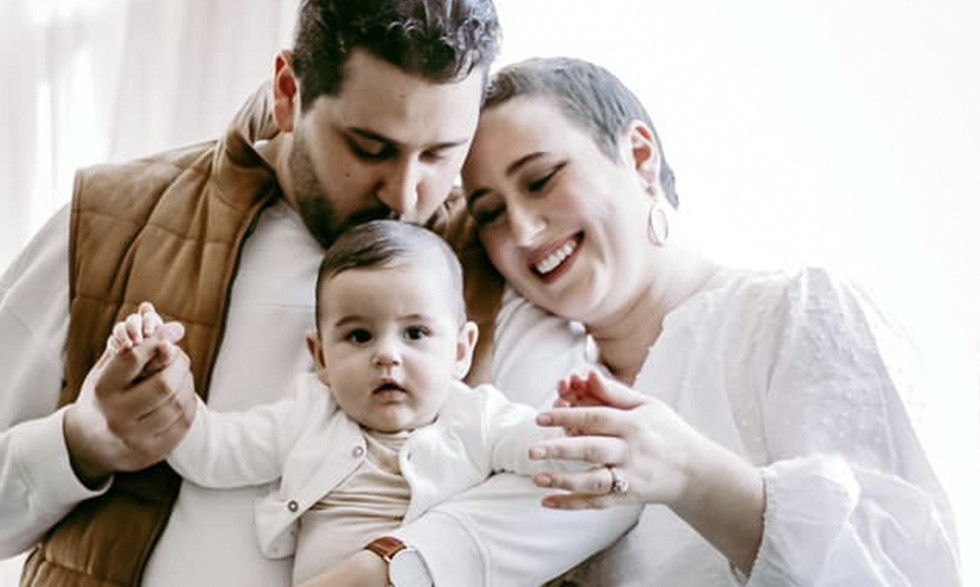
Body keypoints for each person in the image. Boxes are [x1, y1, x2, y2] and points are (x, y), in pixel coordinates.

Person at [0, 3, 636, 586]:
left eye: (443, 153)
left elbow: (605, 489)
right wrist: (80, 442)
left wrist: (396, 568)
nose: (407, 196)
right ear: (287, 92)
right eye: (369, 147)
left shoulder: (493, 267)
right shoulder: (109, 220)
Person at [461, 57, 962, 586]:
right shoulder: (521, 391)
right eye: (490, 213)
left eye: (541, 179)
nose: (520, 229)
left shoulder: (797, 313)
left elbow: (903, 572)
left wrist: (692, 475)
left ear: (639, 157)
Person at [104, 220, 575, 586]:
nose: (387, 354)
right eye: (359, 335)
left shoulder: (476, 417)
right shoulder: (310, 415)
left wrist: (575, 426)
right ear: (321, 357)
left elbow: (542, 451)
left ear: (460, 350)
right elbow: (217, 454)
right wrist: (163, 386)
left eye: (415, 333)